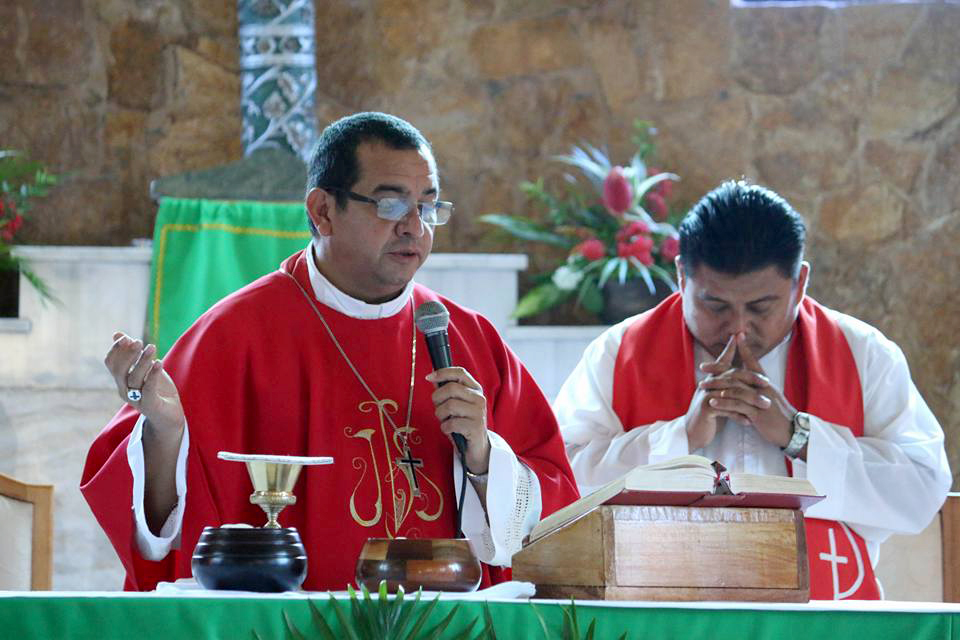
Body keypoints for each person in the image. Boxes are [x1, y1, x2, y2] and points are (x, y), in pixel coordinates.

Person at [81, 112, 579, 591]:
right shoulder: (236, 335)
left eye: (428, 207)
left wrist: (486, 458)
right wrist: (166, 432)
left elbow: (561, 510)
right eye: (390, 205)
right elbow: (156, 535)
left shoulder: (471, 341)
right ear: (323, 211)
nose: (414, 226)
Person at [554, 180, 951, 600]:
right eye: (716, 306)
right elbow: (560, 484)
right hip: (665, 615)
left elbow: (922, 488)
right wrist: (679, 439)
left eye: (761, 307)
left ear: (799, 283)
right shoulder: (619, 354)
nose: (738, 328)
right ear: (681, 276)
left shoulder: (862, 353)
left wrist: (800, 437)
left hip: (822, 618)